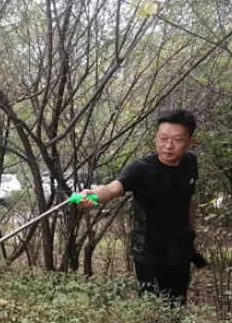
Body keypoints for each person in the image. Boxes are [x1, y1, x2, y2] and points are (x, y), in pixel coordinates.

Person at [79, 109, 198, 306]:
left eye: (177, 140)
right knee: (152, 309)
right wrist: (92, 194)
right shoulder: (140, 169)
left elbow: (188, 200)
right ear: (156, 137)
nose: (168, 145)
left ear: (190, 141)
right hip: (149, 254)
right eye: (163, 138)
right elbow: (111, 189)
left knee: (177, 305)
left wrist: (193, 236)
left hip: (180, 250)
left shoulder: (190, 162)